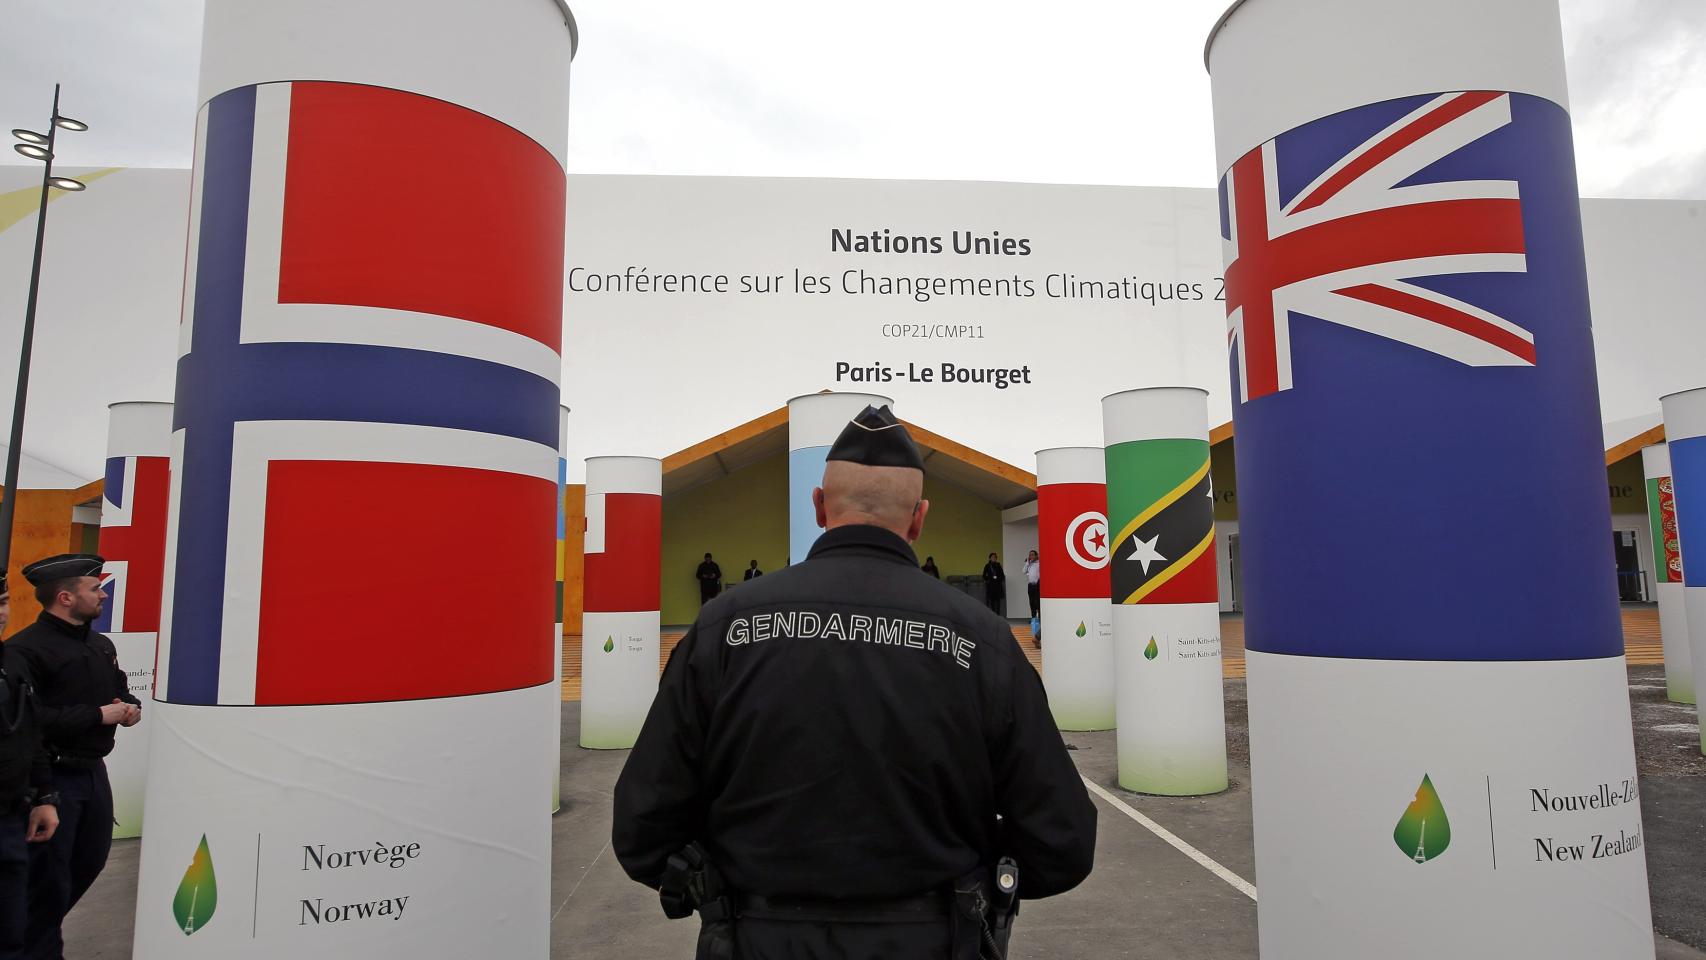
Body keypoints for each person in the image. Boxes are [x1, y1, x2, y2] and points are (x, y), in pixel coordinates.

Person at [613, 405, 1095, 959]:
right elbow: (1063, 841)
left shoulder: (726, 627)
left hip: (756, 936)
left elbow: (643, 827)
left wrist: (722, 882)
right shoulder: (982, 641)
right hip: (936, 939)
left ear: (819, 507)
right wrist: (974, 880)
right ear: (919, 518)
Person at [9, 555, 138, 960]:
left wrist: (129, 706)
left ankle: (32, 938)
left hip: (93, 774)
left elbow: (119, 688)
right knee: (48, 880)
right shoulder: (24, 651)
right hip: (50, 779)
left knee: (90, 861)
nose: (102, 594)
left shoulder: (101, 645)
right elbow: (30, 722)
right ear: (65, 597)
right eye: (93, 589)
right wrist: (98, 716)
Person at [0, 575, 58, 960]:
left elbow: (28, 733)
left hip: (9, 818)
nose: (1, 613)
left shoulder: (11, 661)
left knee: (10, 931)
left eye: (2, 601)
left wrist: (43, 796)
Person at [1023, 550, 1041, 620]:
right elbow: (1023, 571)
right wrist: (1027, 563)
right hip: (1030, 586)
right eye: (1030, 555)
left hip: (1037, 585)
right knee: (1031, 602)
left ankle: (1039, 618)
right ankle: (1033, 618)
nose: (1031, 556)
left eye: (1033, 555)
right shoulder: (1029, 564)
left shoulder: (1039, 563)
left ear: (1036, 556)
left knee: (1037, 602)